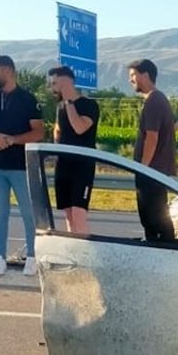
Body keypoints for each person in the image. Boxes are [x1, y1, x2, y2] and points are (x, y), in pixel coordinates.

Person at [0, 55, 44, 276]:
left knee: (28, 212)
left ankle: (33, 256)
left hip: (21, 165)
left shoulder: (28, 99)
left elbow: (39, 132)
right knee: (0, 212)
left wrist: (13, 140)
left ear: (8, 70)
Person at [128, 59, 177, 241]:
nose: (130, 80)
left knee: (154, 218)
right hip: (156, 170)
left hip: (151, 171)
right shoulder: (159, 99)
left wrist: (144, 167)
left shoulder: (154, 100)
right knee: (155, 216)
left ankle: (162, 251)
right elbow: (175, 124)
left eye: (133, 75)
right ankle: (160, 248)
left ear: (145, 75)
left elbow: (152, 136)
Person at [48, 66, 99, 234]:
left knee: (78, 213)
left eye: (55, 83)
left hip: (82, 166)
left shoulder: (89, 105)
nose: (52, 88)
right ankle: (73, 252)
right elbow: (58, 130)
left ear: (66, 82)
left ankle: (84, 253)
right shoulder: (60, 107)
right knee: (69, 214)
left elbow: (79, 128)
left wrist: (70, 102)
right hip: (64, 165)